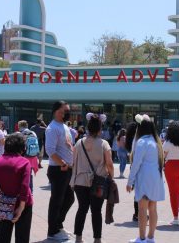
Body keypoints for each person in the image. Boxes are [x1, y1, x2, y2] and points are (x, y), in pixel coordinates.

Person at [70, 113, 114, 243]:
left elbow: (74, 162)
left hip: (80, 182)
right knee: (96, 211)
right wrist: (111, 177)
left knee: (82, 209)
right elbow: (110, 164)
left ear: (88, 128)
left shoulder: (79, 143)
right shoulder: (104, 144)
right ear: (100, 129)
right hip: (98, 183)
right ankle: (97, 239)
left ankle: (78, 238)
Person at [0, 132, 33, 243]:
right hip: (24, 204)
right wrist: (21, 207)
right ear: (22, 147)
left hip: (4, 203)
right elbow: (25, 186)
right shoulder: (24, 162)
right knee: (22, 236)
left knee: (3, 235)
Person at [127, 114, 165, 243]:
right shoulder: (156, 142)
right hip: (156, 178)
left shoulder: (142, 142)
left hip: (145, 178)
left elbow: (136, 163)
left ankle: (142, 238)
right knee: (153, 208)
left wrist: (129, 181)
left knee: (142, 208)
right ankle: (150, 237)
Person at [45, 101, 75, 241]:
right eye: (65, 110)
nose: (67, 113)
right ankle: (52, 231)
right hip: (58, 169)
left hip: (67, 169)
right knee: (57, 200)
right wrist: (62, 163)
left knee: (69, 198)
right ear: (57, 110)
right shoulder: (52, 128)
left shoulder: (64, 126)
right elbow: (50, 150)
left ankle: (58, 225)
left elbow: (68, 146)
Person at [18, 120, 39, 193]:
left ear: (20, 126)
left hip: (24, 157)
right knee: (29, 174)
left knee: (21, 174)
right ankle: (31, 191)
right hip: (33, 156)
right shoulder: (33, 133)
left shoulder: (20, 133)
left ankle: (23, 190)